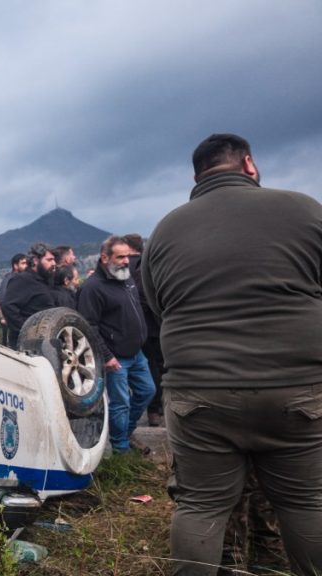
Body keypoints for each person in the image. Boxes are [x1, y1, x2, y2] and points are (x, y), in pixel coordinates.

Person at [142, 134, 322, 575]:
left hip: (199, 391)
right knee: (306, 500)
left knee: (200, 505)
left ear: (196, 176)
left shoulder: (166, 228)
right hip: (296, 387)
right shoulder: (304, 209)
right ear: (249, 163)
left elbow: (157, 304)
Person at [77, 235, 154, 454]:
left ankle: (126, 433)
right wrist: (106, 355)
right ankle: (121, 449)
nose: (125, 261)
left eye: (128, 256)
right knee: (120, 403)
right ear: (104, 258)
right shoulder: (93, 288)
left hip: (137, 353)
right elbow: (89, 326)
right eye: (120, 257)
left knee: (147, 391)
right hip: (116, 357)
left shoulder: (126, 278)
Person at [123, 233, 165, 427]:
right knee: (159, 365)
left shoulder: (123, 268)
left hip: (137, 327)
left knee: (150, 367)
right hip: (155, 323)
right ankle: (156, 408)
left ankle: (154, 409)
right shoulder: (146, 265)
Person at [1, 243, 57, 348]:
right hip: (28, 345)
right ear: (35, 261)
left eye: (54, 260)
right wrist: (26, 329)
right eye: (49, 260)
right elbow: (8, 306)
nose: (54, 263)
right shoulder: (22, 280)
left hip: (47, 340)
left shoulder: (45, 281)